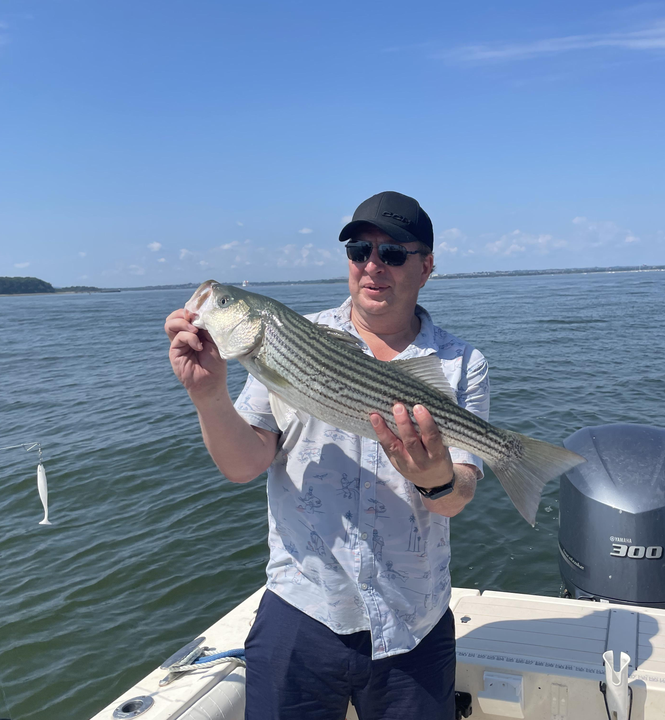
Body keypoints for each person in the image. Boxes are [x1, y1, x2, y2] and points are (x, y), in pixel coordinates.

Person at [164, 191, 489, 719]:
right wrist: (209, 396)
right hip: (302, 608)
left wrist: (436, 480)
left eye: (393, 254)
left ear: (426, 266)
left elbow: (457, 497)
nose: (372, 266)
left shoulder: (460, 363)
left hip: (414, 620)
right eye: (360, 250)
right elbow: (243, 465)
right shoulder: (295, 338)